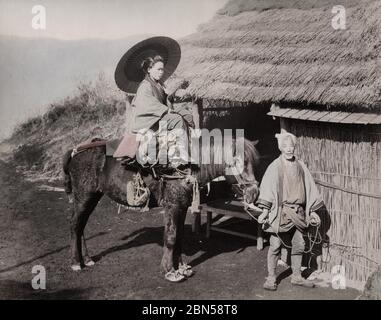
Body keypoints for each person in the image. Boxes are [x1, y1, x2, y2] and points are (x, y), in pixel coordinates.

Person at [256, 131, 323, 291]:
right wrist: (265, 212)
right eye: (285, 146)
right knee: (275, 245)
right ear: (280, 148)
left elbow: (310, 188)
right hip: (281, 212)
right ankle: (271, 278)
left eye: (291, 146)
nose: (289, 149)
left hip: (298, 213)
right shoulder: (274, 167)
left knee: (299, 244)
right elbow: (267, 190)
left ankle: (297, 277)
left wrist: (312, 212)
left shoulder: (301, 166)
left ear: (295, 147)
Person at [131, 55, 194, 166]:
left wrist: (169, 96)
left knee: (187, 115)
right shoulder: (144, 86)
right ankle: (177, 155)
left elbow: (166, 101)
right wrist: (166, 110)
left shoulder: (158, 84)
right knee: (177, 119)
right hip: (150, 120)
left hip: (160, 115)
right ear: (149, 70)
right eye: (158, 69)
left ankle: (190, 147)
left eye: (162, 69)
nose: (161, 72)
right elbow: (149, 104)